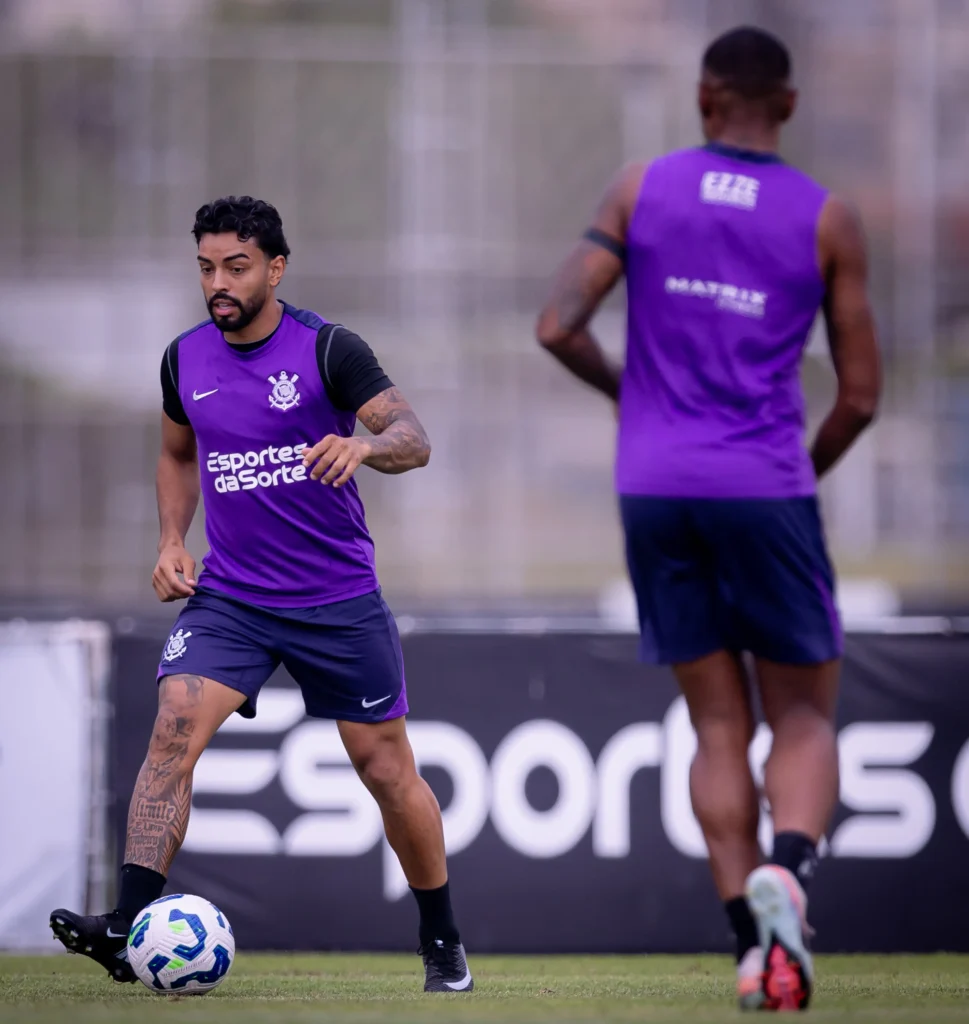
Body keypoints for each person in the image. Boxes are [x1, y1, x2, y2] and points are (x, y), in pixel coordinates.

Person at [536, 26, 881, 1012]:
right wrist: (793, 476)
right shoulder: (827, 218)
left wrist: (637, 400)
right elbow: (860, 397)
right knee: (801, 713)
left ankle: (752, 949)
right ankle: (789, 870)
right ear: (789, 106)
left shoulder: (639, 188)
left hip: (654, 485)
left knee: (717, 721)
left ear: (702, 98)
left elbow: (556, 325)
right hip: (763, 486)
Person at [50, 196, 473, 994]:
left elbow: (413, 439)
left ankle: (441, 939)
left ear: (275, 269)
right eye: (206, 267)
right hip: (232, 598)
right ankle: (128, 923)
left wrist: (364, 446)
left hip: (336, 599)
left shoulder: (328, 349)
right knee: (173, 727)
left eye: (236, 267)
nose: (219, 282)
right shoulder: (183, 359)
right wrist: (171, 540)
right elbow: (178, 454)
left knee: (386, 771)